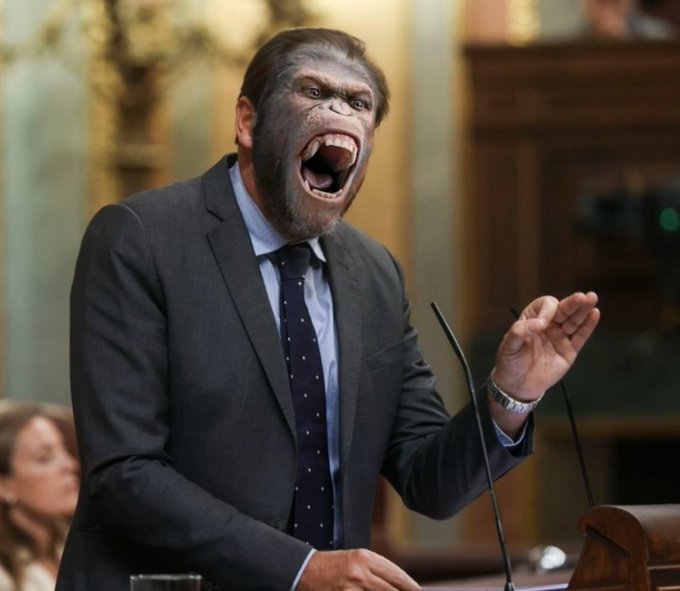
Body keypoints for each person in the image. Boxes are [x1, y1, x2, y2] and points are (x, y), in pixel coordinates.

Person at [56, 27, 600, 591]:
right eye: (314, 92)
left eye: (359, 102)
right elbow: (124, 474)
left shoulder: (374, 272)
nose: (340, 109)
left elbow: (430, 483)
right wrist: (299, 569)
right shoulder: (141, 239)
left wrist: (512, 393)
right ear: (248, 122)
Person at [0, 401, 79, 591]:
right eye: (45, 458)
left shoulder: (77, 546)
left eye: (64, 449)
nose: (70, 465)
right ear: (4, 485)